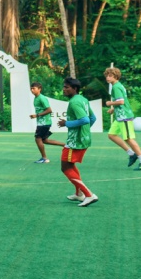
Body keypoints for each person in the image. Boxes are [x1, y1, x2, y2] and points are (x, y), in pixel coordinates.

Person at [57, 78, 98, 207]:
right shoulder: (83, 99)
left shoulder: (74, 102)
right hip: (82, 139)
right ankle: (79, 193)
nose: (64, 89)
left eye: (67, 87)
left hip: (74, 141)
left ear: (74, 89)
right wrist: (84, 132)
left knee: (65, 167)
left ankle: (89, 195)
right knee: (70, 165)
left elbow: (85, 120)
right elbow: (93, 118)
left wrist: (66, 123)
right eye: (64, 87)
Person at [104, 67, 141, 170]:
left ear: (116, 77)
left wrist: (110, 103)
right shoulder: (117, 86)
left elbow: (121, 101)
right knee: (111, 135)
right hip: (120, 116)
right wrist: (113, 109)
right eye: (107, 75)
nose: (107, 77)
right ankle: (131, 154)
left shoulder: (116, 87)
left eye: (110, 76)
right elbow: (122, 100)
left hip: (124, 117)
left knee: (129, 139)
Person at [29, 82, 64, 163]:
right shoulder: (36, 98)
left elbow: (49, 110)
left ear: (39, 89)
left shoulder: (42, 98)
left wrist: (37, 115)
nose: (32, 90)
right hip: (42, 123)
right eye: (31, 88)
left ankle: (44, 158)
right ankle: (65, 145)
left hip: (44, 123)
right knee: (44, 140)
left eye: (34, 88)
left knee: (38, 139)